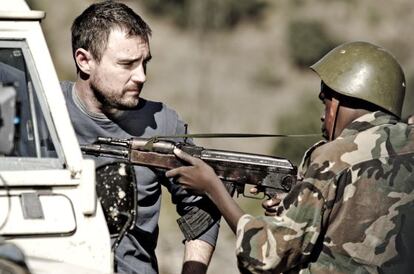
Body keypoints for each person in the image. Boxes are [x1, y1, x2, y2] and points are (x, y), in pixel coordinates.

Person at [166, 41, 414, 273]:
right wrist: (298, 204)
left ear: (340, 100)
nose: (322, 115)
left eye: (325, 102)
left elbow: (266, 256)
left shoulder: (336, 156)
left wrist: (212, 188)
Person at [60, 2, 219, 274]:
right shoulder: (41, 108)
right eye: (126, 64)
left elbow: (201, 208)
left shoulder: (163, 123)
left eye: (144, 63)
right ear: (84, 60)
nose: (141, 76)